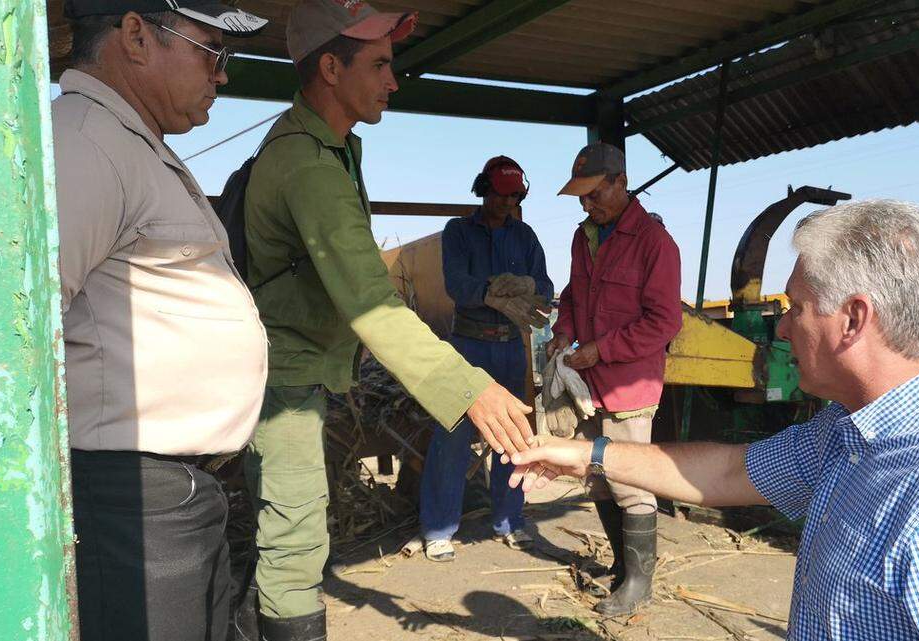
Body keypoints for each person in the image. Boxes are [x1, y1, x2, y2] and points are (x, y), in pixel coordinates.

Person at [512, 200, 919, 640]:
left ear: (854, 319)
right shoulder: (854, 429)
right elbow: (729, 472)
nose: (784, 328)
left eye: (795, 308)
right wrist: (586, 455)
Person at [241, 2, 536, 637]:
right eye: (379, 65)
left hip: (310, 371)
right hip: (288, 380)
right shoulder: (310, 166)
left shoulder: (332, 151)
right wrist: (470, 389)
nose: (393, 82)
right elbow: (373, 302)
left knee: (296, 536)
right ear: (330, 68)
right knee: (294, 550)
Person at [53, 2, 269, 640]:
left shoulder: (126, 144)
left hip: (165, 494)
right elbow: (15, 331)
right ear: (137, 35)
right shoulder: (84, 144)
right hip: (127, 499)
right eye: (212, 50)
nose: (221, 74)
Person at [547, 142, 682, 616]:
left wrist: (601, 350)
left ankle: (640, 584)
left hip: (629, 385)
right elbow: (572, 295)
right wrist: (562, 332)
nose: (587, 204)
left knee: (631, 481)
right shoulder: (583, 237)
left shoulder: (654, 241)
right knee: (598, 478)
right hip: (588, 384)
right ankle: (625, 568)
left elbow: (664, 322)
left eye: (595, 194)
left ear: (621, 182)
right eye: (581, 197)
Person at [418, 156, 554, 562]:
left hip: (510, 347)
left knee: (512, 435)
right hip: (469, 346)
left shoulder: (525, 236)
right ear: (483, 190)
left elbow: (545, 288)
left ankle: (510, 521)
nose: (507, 203)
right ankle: (439, 530)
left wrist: (528, 284)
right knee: (453, 435)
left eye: (515, 197)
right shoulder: (458, 231)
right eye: (501, 195)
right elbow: (457, 285)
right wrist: (490, 293)